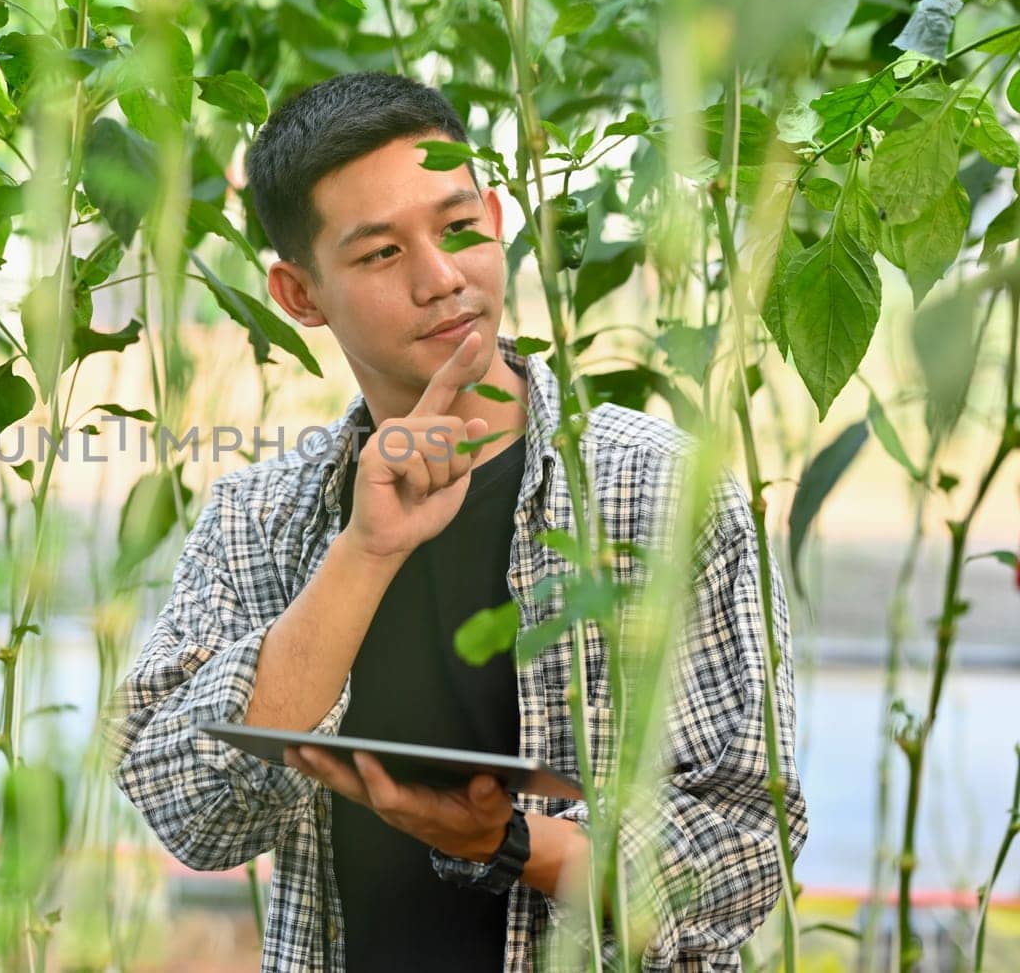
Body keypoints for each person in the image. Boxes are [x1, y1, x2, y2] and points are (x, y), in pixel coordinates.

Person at [102, 71, 805, 971]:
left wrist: (510, 841)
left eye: (459, 228)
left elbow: (749, 845)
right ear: (299, 294)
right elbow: (192, 807)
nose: (443, 280)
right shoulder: (259, 518)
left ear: (499, 220)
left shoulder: (661, 490)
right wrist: (363, 552)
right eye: (381, 254)